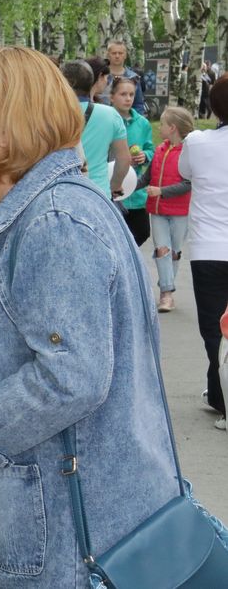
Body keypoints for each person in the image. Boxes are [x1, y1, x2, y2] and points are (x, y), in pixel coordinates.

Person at [0, 46, 178, 587]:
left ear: (1, 131)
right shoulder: (53, 210)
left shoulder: (55, 221)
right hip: (73, 522)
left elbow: (72, 378)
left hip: (73, 540)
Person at [179, 74, 228, 430]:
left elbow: (184, 172)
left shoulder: (197, 142)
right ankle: (217, 394)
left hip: (209, 248)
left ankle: (221, 395)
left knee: (216, 328)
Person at [135, 107, 192, 313]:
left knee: (174, 252)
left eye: (162, 123)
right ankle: (166, 294)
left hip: (179, 212)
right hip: (157, 211)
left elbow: (188, 183)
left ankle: (166, 289)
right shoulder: (159, 150)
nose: (159, 126)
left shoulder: (189, 152)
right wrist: (128, 186)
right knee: (162, 250)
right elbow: (147, 177)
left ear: (173, 127)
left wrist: (161, 191)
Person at [60, 60, 130, 197]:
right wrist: (115, 185)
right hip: (98, 193)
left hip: (63, 194)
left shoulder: (53, 114)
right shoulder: (110, 115)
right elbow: (124, 159)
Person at [110, 77, 154, 246]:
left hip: (135, 191)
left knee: (142, 231)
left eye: (131, 94)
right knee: (115, 236)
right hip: (112, 188)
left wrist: (145, 155)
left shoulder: (143, 123)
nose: (128, 98)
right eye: (123, 94)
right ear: (112, 97)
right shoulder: (107, 119)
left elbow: (150, 148)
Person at [100, 40, 146, 115]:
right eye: (114, 53)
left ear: (125, 55)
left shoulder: (133, 78)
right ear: (108, 55)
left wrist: (136, 123)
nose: (117, 56)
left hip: (126, 122)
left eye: (120, 53)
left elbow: (138, 105)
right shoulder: (100, 76)